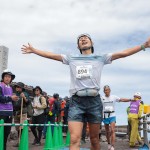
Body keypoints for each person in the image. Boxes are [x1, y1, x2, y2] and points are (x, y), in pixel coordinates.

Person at [21, 34, 150, 150]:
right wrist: (34, 50)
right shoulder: (71, 58)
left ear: (92, 43)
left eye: (86, 38)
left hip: (94, 102)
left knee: (94, 140)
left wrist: (143, 45)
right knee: (74, 139)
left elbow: (123, 53)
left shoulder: (101, 58)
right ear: (78, 46)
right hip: (76, 102)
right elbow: (51, 55)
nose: (83, 39)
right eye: (80, 39)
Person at [102, 85, 132, 150]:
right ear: (104, 91)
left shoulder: (114, 97)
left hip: (112, 115)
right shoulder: (102, 98)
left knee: (112, 130)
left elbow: (121, 99)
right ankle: (109, 143)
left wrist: (130, 99)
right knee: (107, 131)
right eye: (105, 90)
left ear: (110, 90)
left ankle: (113, 146)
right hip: (105, 116)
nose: (107, 91)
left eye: (108, 90)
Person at [0, 69, 19, 150]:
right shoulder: (0, 86)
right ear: (3, 77)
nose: (7, 78)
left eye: (9, 77)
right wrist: (10, 98)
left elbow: (12, 101)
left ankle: (3, 148)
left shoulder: (11, 88)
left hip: (9, 113)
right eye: (6, 76)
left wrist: (15, 100)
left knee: (6, 134)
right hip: (1, 112)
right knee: (0, 133)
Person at [13, 82, 29, 147]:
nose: (17, 88)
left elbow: (28, 102)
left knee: (22, 127)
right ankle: (19, 141)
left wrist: (24, 97)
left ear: (22, 88)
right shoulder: (15, 94)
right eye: (16, 87)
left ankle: (22, 141)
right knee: (17, 128)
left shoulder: (25, 93)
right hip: (16, 112)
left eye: (19, 87)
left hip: (22, 112)